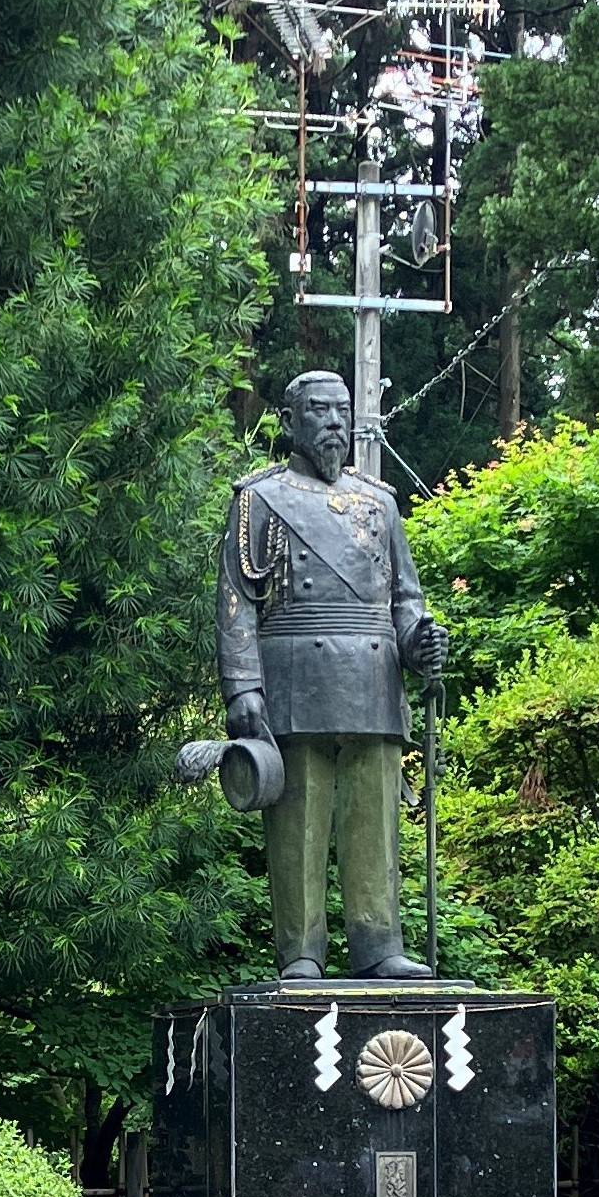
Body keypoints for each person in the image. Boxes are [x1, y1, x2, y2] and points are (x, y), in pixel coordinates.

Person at [217, 369, 448, 981]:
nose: (335, 424)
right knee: (300, 816)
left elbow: (406, 598)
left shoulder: (381, 502)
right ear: (291, 423)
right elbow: (237, 601)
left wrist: (419, 638)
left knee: (374, 817)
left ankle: (379, 945)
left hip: (373, 676)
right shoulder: (259, 499)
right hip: (296, 672)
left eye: (343, 412)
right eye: (320, 412)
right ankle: (300, 951)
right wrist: (243, 686)